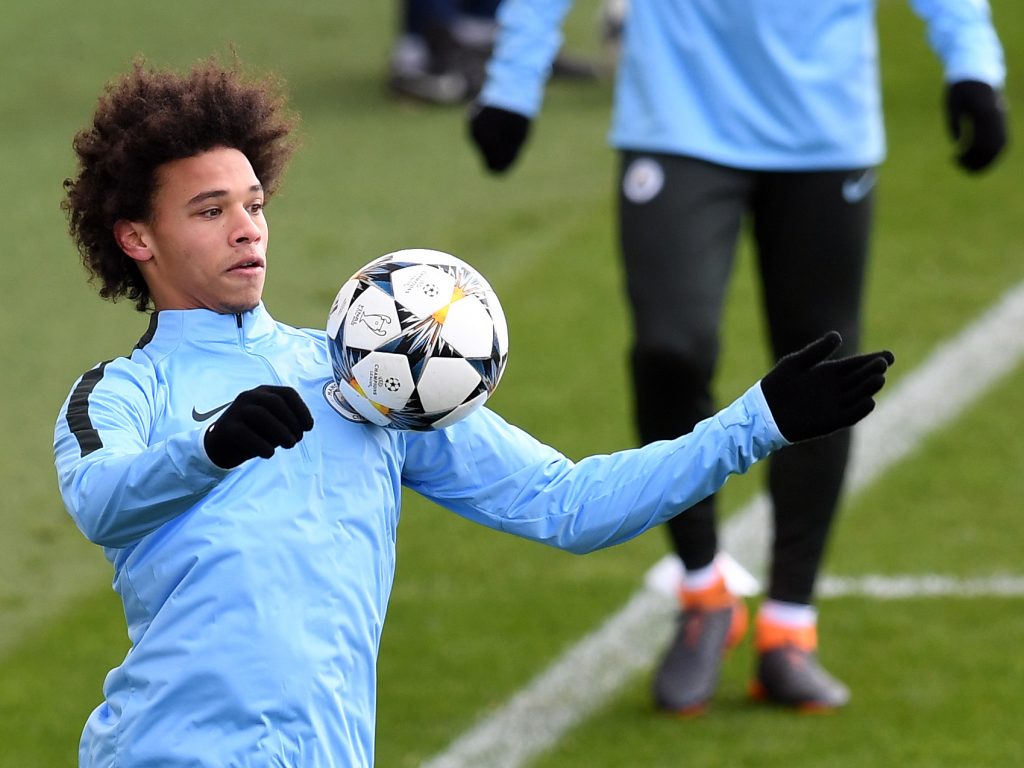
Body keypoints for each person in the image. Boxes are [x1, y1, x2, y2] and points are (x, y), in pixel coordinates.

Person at [54, 58, 893, 767]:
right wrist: (208, 449)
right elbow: (103, 499)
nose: (248, 231)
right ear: (137, 238)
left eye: (255, 204)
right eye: (211, 211)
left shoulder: (369, 373)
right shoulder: (122, 393)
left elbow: (569, 505)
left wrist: (759, 421)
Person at [467, 0, 1006, 714]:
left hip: (824, 130)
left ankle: (790, 627)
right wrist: (513, 81)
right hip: (678, 117)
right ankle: (703, 590)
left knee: (824, 363)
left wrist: (972, 63)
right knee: (669, 349)